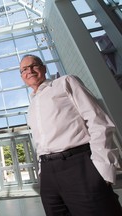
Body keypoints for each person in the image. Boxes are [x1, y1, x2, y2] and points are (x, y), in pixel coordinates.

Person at [20, 54, 122, 216]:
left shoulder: (65, 82)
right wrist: (42, 173)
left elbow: (98, 121)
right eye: (24, 69)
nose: (30, 71)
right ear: (22, 76)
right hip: (48, 174)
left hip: (79, 165)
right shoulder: (32, 106)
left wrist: (103, 168)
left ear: (44, 68)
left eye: (34, 65)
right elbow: (40, 143)